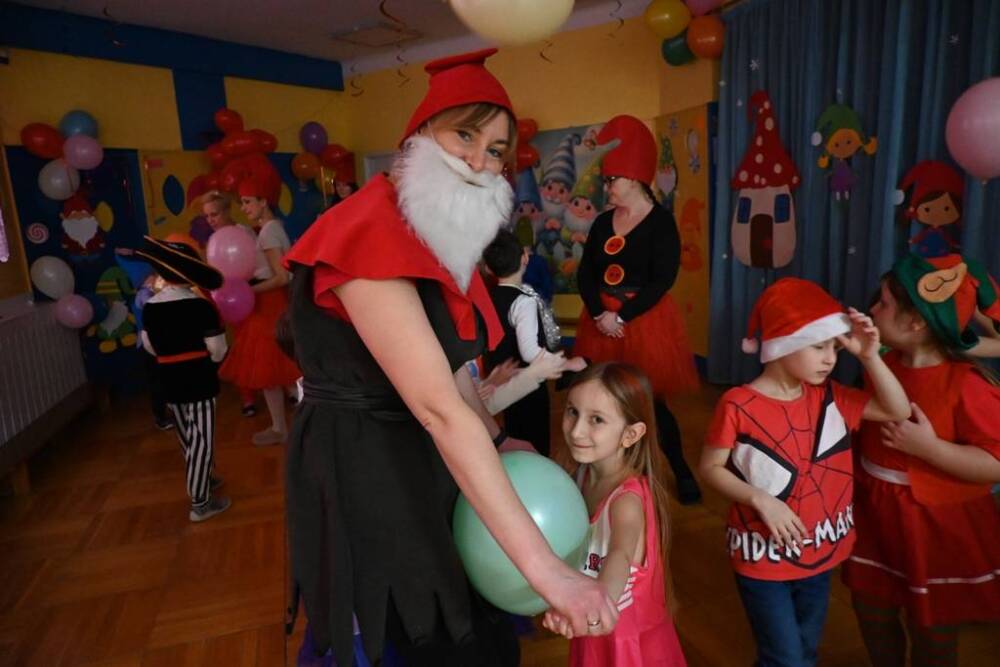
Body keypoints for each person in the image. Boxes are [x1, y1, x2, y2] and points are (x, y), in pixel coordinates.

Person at [282, 49, 619, 666]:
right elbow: (437, 407)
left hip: (423, 446)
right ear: (416, 136)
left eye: (496, 150)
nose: (479, 161)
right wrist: (550, 573)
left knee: (460, 613)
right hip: (366, 461)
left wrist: (496, 437)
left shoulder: (432, 231)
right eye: (465, 135)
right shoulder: (366, 228)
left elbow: (454, 370)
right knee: (408, 618)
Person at [699, 278, 910, 667]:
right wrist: (761, 500)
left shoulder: (832, 397)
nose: (830, 359)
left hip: (819, 551)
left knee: (804, 651)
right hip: (762, 555)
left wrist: (870, 357)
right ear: (784, 343)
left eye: (835, 348)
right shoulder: (738, 404)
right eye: (818, 346)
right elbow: (710, 468)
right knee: (786, 657)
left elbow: (897, 410)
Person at [842, 253, 1000, 667]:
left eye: (883, 303)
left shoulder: (966, 383)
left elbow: (995, 461)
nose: (873, 308)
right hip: (877, 515)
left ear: (916, 322)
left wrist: (930, 449)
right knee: (871, 610)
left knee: (932, 629)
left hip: (934, 528)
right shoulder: (883, 365)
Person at [574, 115, 702, 504]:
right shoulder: (602, 223)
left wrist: (621, 316)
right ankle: (599, 471)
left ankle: (680, 470)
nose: (607, 187)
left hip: (643, 322)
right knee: (601, 400)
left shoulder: (661, 223)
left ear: (633, 179)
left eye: (612, 180)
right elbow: (586, 273)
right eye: (606, 180)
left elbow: (663, 280)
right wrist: (600, 313)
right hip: (601, 322)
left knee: (650, 403)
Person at [544, 362, 687, 666]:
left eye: (596, 419)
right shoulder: (579, 476)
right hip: (593, 631)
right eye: (572, 412)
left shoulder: (627, 501)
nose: (577, 430)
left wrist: (597, 604)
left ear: (631, 434)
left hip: (628, 643)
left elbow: (619, 555)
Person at [133, 236, 231, 522]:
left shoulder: (151, 307)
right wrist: (207, 361)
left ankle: (205, 476)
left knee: (187, 436)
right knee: (203, 438)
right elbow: (218, 349)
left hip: (168, 378)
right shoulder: (201, 307)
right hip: (199, 379)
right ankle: (200, 503)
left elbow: (149, 345)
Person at [483, 230, 586, 455]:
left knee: (515, 437)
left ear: (488, 268)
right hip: (528, 385)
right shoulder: (523, 301)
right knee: (535, 445)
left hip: (501, 381)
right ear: (525, 258)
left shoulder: (486, 299)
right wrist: (567, 364)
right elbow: (530, 352)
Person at [218, 168, 301, 445]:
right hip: (271, 304)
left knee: (270, 368)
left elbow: (281, 276)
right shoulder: (271, 228)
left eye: (248, 202)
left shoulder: (268, 232)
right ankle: (282, 427)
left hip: (270, 306)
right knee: (275, 371)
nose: (244, 208)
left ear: (263, 201)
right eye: (242, 202)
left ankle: (282, 428)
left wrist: (248, 290)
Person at [200, 190, 259, 417]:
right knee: (240, 348)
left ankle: (282, 387)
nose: (210, 220)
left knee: (260, 345)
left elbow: (256, 264)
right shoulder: (213, 241)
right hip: (229, 302)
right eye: (207, 216)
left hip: (250, 296)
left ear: (226, 211)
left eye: (214, 214)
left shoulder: (244, 232)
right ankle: (247, 396)